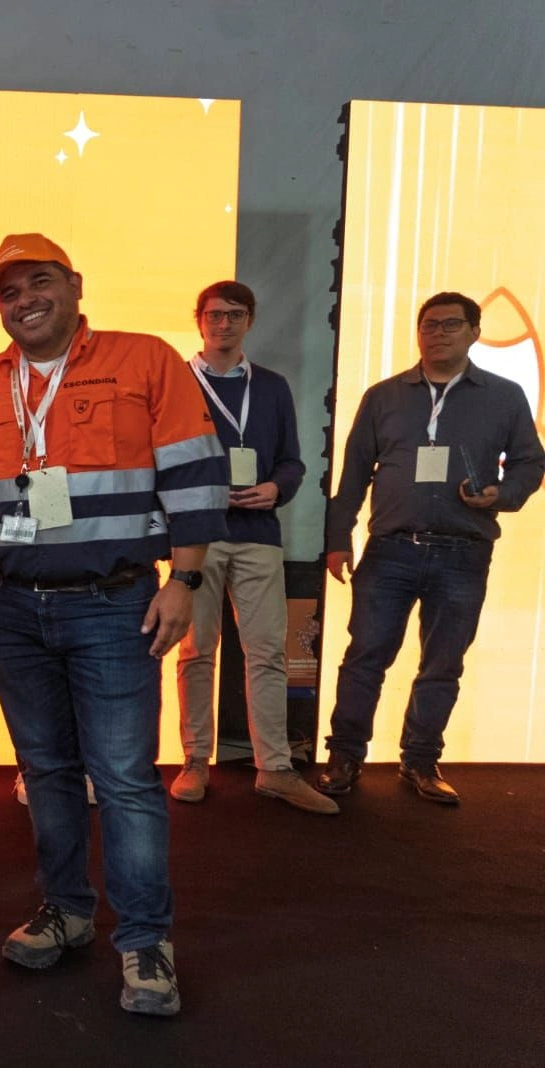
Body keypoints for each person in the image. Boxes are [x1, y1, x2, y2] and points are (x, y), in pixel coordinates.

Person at [0, 233, 227, 1017]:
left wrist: (185, 580)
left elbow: (195, 474)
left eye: (39, 282)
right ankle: (67, 910)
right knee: (45, 772)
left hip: (114, 603)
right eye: (8, 292)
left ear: (75, 285)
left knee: (126, 779)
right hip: (11, 608)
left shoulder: (144, 360)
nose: (24, 301)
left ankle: (144, 941)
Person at [319, 291, 543, 804]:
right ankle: (345, 756)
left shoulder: (504, 396)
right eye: (428, 325)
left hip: (463, 553)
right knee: (365, 657)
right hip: (390, 550)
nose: (437, 333)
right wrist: (337, 540)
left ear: (474, 333)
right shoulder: (383, 396)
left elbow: (531, 463)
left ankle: (420, 760)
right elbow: (353, 473)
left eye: (450, 325)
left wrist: (501, 494)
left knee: (442, 664)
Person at [170, 282, 337, 815]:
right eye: (215, 314)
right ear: (199, 320)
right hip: (197, 536)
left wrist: (276, 488)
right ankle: (195, 760)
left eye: (235, 314)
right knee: (196, 650)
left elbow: (292, 460)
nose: (224, 323)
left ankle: (275, 768)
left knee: (267, 652)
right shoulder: (177, 382)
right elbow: (157, 456)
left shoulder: (271, 386)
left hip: (259, 534)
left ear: (250, 320)